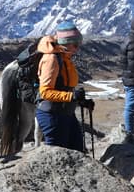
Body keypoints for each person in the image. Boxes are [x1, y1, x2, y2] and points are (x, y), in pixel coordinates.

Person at [35, 20, 93, 152]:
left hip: (65, 112)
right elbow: (45, 92)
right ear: (65, 43)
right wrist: (71, 96)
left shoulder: (64, 58)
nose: (78, 48)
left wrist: (80, 101)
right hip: (53, 116)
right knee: (59, 154)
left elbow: (65, 86)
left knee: (77, 150)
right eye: (75, 44)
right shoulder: (52, 60)